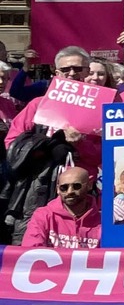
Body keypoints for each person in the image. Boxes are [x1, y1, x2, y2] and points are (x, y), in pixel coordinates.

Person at [4, 47, 103, 243]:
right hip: (38, 190)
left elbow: (106, 156)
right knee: (32, 250)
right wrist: (45, 148)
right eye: (65, 70)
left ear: (87, 72)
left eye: (77, 68)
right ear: (56, 74)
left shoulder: (100, 108)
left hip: (82, 194)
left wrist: (81, 144)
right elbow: (12, 145)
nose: (72, 74)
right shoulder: (38, 105)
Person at [21, 165, 102, 249]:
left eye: (76, 186)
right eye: (64, 188)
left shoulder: (102, 221)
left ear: (89, 185)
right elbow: (31, 252)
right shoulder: (43, 215)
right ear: (58, 189)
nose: (70, 191)